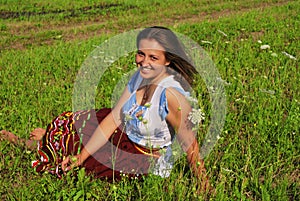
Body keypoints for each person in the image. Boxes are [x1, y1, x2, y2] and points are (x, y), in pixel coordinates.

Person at [1, 26, 209, 190]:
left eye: (153, 57)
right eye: (140, 54)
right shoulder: (139, 77)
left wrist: (202, 182)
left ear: (168, 60)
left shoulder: (171, 95)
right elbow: (113, 119)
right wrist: (81, 155)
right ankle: (44, 137)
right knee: (78, 132)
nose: (144, 62)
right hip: (125, 133)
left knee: (79, 155)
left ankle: (27, 144)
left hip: (141, 157)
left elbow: (189, 141)